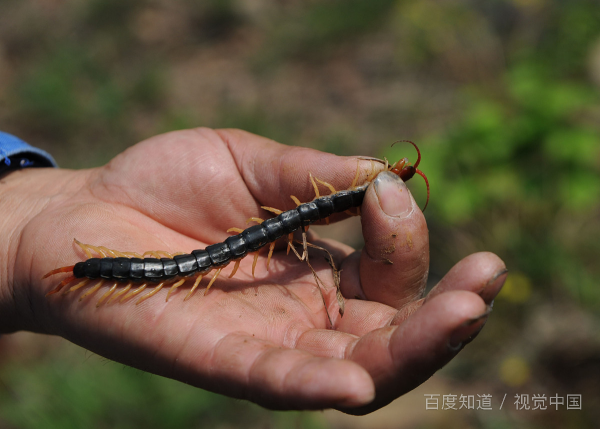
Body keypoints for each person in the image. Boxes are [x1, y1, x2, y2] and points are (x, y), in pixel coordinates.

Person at [0, 128, 506, 414]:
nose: (398, 170)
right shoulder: (330, 195)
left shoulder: (341, 199)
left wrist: (21, 219)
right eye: (396, 171)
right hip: (149, 266)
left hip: (184, 261)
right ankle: (92, 267)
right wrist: (20, 226)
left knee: (194, 264)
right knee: (184, 267)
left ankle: (89, 266)